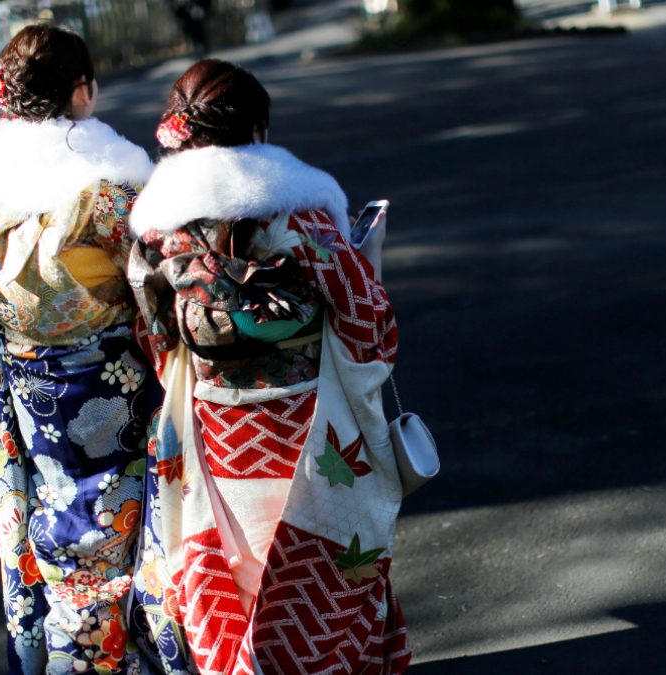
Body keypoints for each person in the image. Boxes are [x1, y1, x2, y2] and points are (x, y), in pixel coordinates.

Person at [126, 59, 410, 674]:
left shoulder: (159, 224)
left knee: (231, 553)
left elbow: (154, 330)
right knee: (323, 546)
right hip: (305, 417)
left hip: (219, 423)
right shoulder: (296, 208)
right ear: (256, 127)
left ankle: (236, 659)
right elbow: (365, 317)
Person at [0, 25, 158, 675]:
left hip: (29, 377)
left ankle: (63, 654)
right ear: (82, 92)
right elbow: (150, 276)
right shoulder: (107, 184)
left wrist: (17, 322)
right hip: (111, 377)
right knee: (120, 525)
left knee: (57, 516)